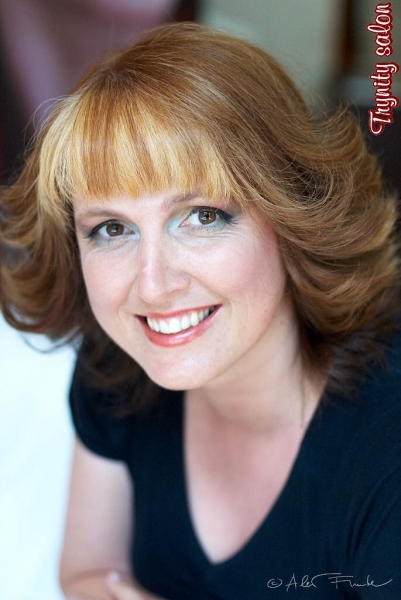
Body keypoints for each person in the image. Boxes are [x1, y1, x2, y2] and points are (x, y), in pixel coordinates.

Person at [0, 22, 400, 600]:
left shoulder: (385, 449)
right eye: (111, 228)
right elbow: (89, 573)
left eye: (203, 217)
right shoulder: (115, 366)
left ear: (294, 214)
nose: (152, 286)